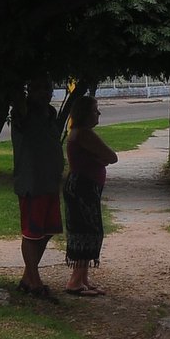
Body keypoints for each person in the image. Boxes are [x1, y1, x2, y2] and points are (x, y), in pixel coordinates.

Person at [9, 79, 64, 299]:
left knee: (47, 231)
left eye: (48, 90)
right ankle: (35, 281)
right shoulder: (22, 113)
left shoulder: (50, 113)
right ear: (30, 91)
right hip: (31, 182)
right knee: (32, 234)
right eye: (40, 89)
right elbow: (16, 97)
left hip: (50, 181)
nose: (46, 94)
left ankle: (27, 277)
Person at [61, 91, 117, 296]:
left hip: (85, 186)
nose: (98, 114)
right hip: (83, 188)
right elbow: (112, 156)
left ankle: (83, 278)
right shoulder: (84, 134)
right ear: (85, 113)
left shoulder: (79, 132)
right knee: (85, 230)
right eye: (94, 110)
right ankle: (75, 282)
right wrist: (100, 159)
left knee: (89, 229)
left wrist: (98, 159)